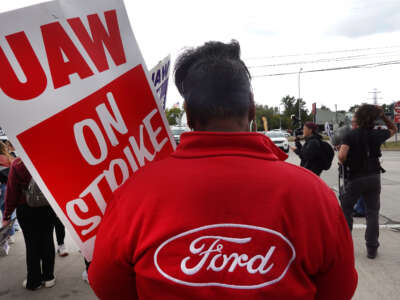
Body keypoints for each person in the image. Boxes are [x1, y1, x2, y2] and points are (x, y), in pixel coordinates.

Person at [89, 41, 357, 300]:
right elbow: (339, 289)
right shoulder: (314, 194)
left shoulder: (135, 193)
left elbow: (106, 283)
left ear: (189, 115)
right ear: (251, 107)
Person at [338, 104, 397, 259]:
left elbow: (342, 156)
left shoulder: (350, 135)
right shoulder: (377, 134)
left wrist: (345, 161)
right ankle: (372, 248)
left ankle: (345, 245)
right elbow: (394, 130)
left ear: (360, 118)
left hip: (355, 178)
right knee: (372, 213)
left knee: (346, 209)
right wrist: (383, 116)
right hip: (374, 177)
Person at [2, 158, 57, 290]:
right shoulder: (47, 159)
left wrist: (7, 215)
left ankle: (34, 280)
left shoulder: (18, 164)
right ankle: (49, 277)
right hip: (47, 207)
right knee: (48, 239)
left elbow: (12, 192)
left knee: (31, 244)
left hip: (25, 208)